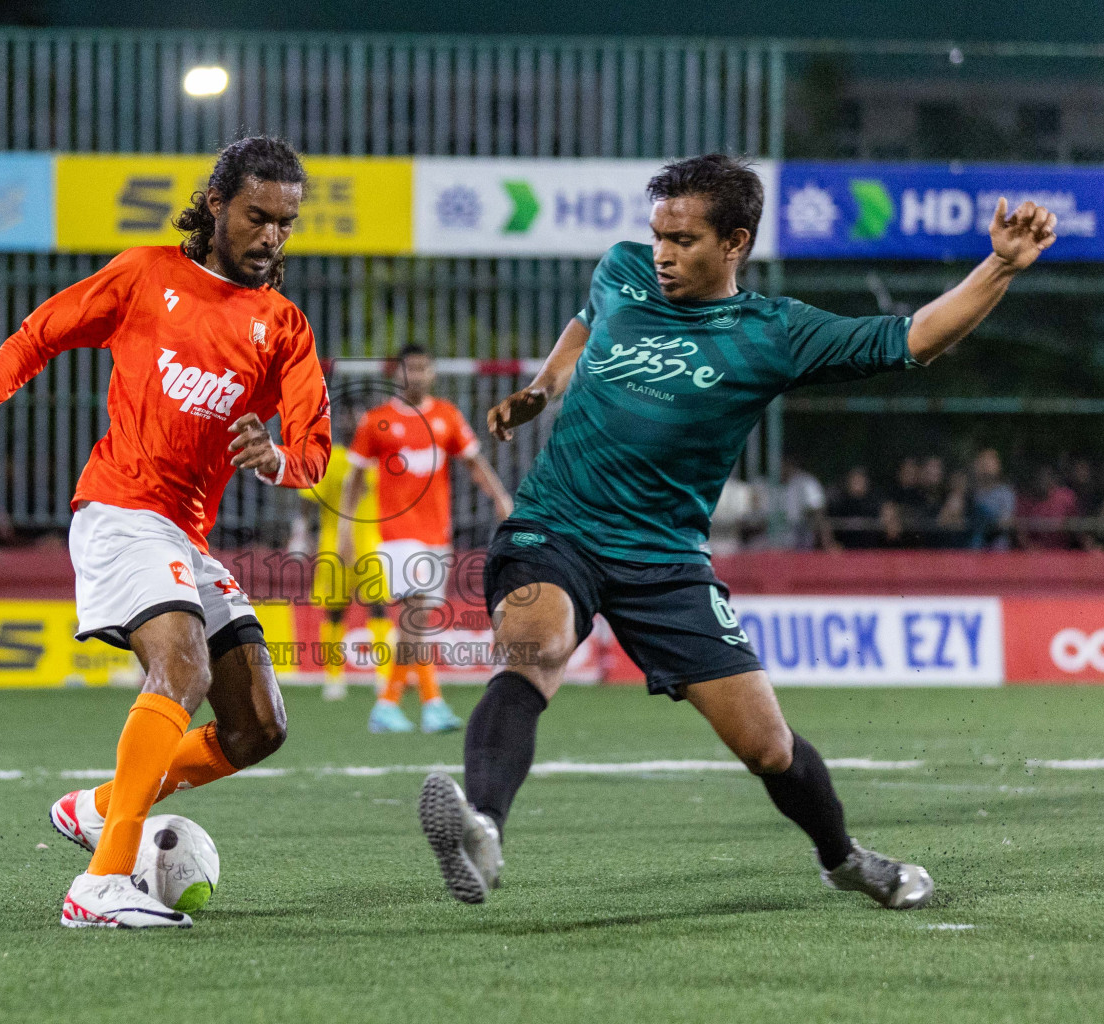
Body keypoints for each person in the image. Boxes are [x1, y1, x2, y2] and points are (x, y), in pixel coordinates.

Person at [417, 153, 1058, 910]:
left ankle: (843, 859)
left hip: (665, 559)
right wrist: (542, 387)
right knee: (537, 649)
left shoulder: (773, 332)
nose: (662, 253)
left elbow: (913, 338)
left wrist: (1000, 266)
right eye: (659, 235)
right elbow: (586, 324)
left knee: (769, 747)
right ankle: (483, 826)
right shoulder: (623, 271)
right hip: (558, 525)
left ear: (735, 244)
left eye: (684, 240)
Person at [0, 136, 330, 930]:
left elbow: (312, 454)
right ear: (217, 206)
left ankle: (100, 806)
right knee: (180, 673)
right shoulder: (146, 275)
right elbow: (45, 332)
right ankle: (100, 885)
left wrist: (276, 458)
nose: (272, 236)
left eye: (287, 222)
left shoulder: (283, 326)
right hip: (120, 511)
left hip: (188, 536)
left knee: (258, 728)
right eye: (257, 216)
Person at [339, 344, 514, 734]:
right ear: (395, 373)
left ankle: (388, 704)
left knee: (418, 621)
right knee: (417, 613)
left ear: (432, 373)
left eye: (421, 368)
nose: (414, 376)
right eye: (408, 369)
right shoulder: (377, 421)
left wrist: (501, 498)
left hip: (438, 533)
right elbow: (353, 481)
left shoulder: (446, 416)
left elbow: (474, 462)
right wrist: (345, 529)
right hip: (399, 534)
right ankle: (431, 702)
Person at [290, 404, 392, 701]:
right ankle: (334, 677)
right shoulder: (328, 459)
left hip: (370, 542)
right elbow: (307, 499)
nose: (354, 423)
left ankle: (382, 675)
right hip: (334, 544)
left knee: (378, 607)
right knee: (335, 611)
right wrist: (300, 532)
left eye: (359, 418)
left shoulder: (377, 459)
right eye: (349, 417)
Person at [825, 466, 893, 549]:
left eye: (860, 480)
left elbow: (891, 529)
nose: (857, 483)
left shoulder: (876, 501)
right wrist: (831, 544)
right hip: (845, 552)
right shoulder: (838, 502)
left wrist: (889, 519)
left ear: (867, 482)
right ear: (848, 482)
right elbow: (826, 525)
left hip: (872, 551)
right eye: (854, 480)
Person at [1015, 464, 1079, 550]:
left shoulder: (1066, 497)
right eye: (1038, 476)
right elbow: (1021, 534)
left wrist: (1092, 548)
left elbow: (1079, 528)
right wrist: (1033, 551)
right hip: (1034, 557)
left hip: (1063, 554)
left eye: (1045, 475)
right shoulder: (1024, 501)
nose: (1042, 480)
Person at [967, 448, 1015, 550]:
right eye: (983, 462)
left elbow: (1005, 522)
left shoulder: (1005, 493)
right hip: (971, 550)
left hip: (996, 551)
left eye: (990, 462)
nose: (986, 466)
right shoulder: (969, 493)